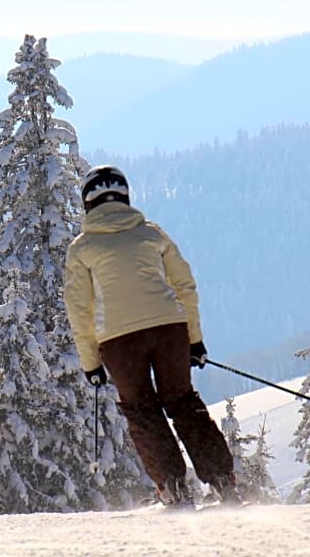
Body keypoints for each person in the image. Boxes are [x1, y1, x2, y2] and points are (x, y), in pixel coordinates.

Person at [64, 164, 239, 509]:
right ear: (125, 196)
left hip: (118, 340)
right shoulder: (152, 234)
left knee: (142, 411)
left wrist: (91, 363)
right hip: (169, 329)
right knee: (183, 402)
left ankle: (173, 490)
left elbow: (79, 310)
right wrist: (194, 340)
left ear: (87, 203)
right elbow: (184, 286)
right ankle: (223, 484)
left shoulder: (82, 248)